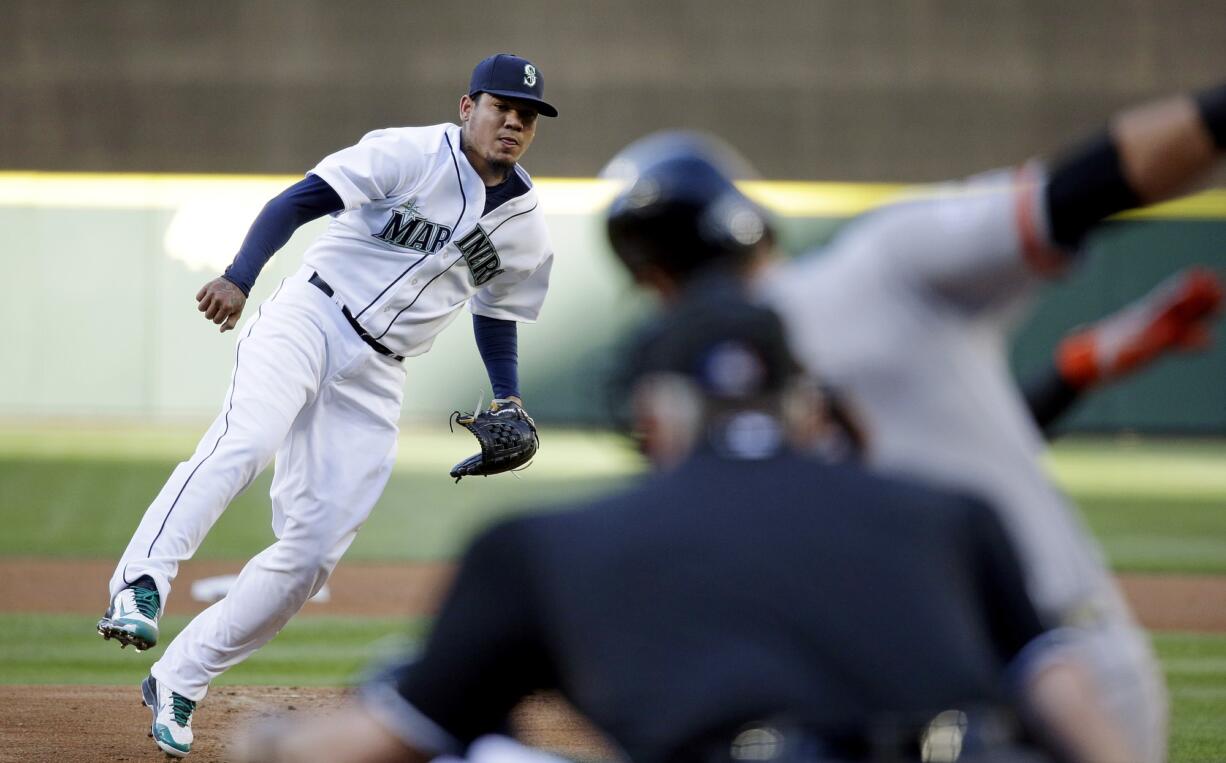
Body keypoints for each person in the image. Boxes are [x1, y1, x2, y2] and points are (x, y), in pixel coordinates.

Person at [236, 287, 1132, 763]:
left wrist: (268, 745)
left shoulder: (536, 549)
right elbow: (1074, 708)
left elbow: (373, 745)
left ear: (654, 420)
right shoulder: (954, 517)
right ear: (811, 412)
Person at [601, 82, 1226, 763]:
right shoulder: (879, 266)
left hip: (979, 681)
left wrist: (1075, 373)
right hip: (1048, 667)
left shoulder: (693, 389)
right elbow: (1088, 184)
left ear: (651, 277)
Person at [95, 52, 559, 758]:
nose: (514, 122)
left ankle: (180, 676)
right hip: (310, 316)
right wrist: (239, 275)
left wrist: (509, 395)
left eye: (527, 115)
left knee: (311, 554)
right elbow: (299, 201)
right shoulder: (409, 154)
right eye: (502, 107)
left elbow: (496, 310)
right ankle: (139, 584)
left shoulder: (523, 221)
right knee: (245, 442)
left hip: (379, 372)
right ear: (468, 106)